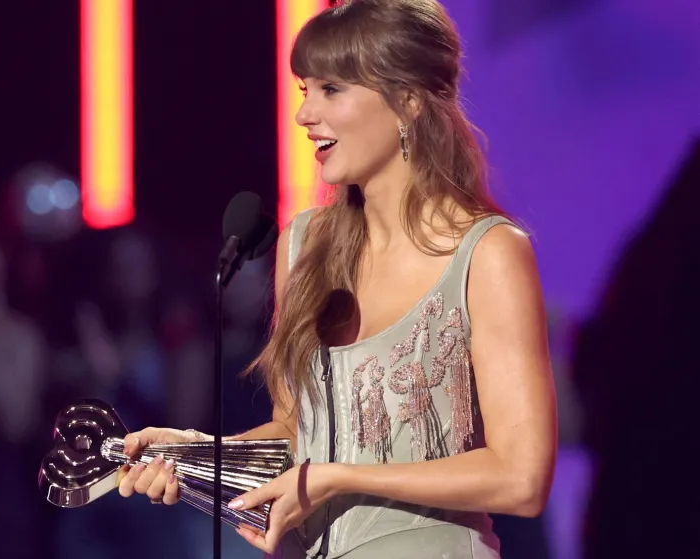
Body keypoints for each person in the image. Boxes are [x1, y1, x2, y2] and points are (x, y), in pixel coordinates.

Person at [117, 1, 557, 557]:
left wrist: (338, 478)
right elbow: (299, 437)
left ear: (408, 100)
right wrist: (196, 455)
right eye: (305, 90)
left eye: (331, 90)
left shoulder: (487, 252)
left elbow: (522, 478)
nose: (304, 114)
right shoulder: (303, 246)